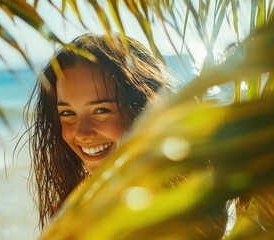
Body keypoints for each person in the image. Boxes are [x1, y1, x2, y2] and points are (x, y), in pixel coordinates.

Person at [19, 33, 176, 229]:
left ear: (143, 110)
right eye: (67, 113)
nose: (82, 133)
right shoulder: (82, 207)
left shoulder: (183, 208)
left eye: (101, 110)